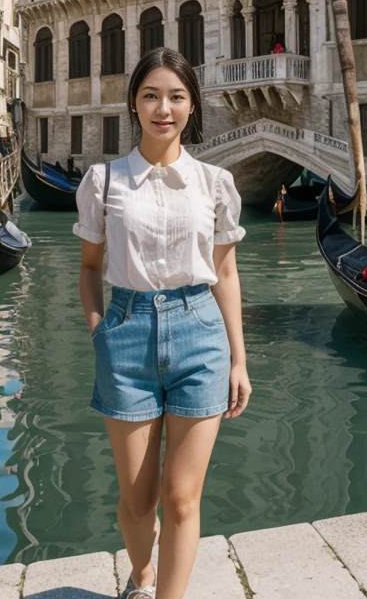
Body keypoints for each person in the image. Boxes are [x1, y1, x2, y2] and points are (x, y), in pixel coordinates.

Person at [75, 47, 251, 599]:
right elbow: (89, 268)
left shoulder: (216, 183)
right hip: (125, 334)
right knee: (138, 499)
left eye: (176, 97)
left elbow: (225, 271)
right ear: (134, 103)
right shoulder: (104, 182)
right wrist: (99, 329)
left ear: (192, 106)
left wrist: (240, 359)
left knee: (181, 497)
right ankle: (142, 576)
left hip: (201, 332)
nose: (163, 108)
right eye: (151, 95)